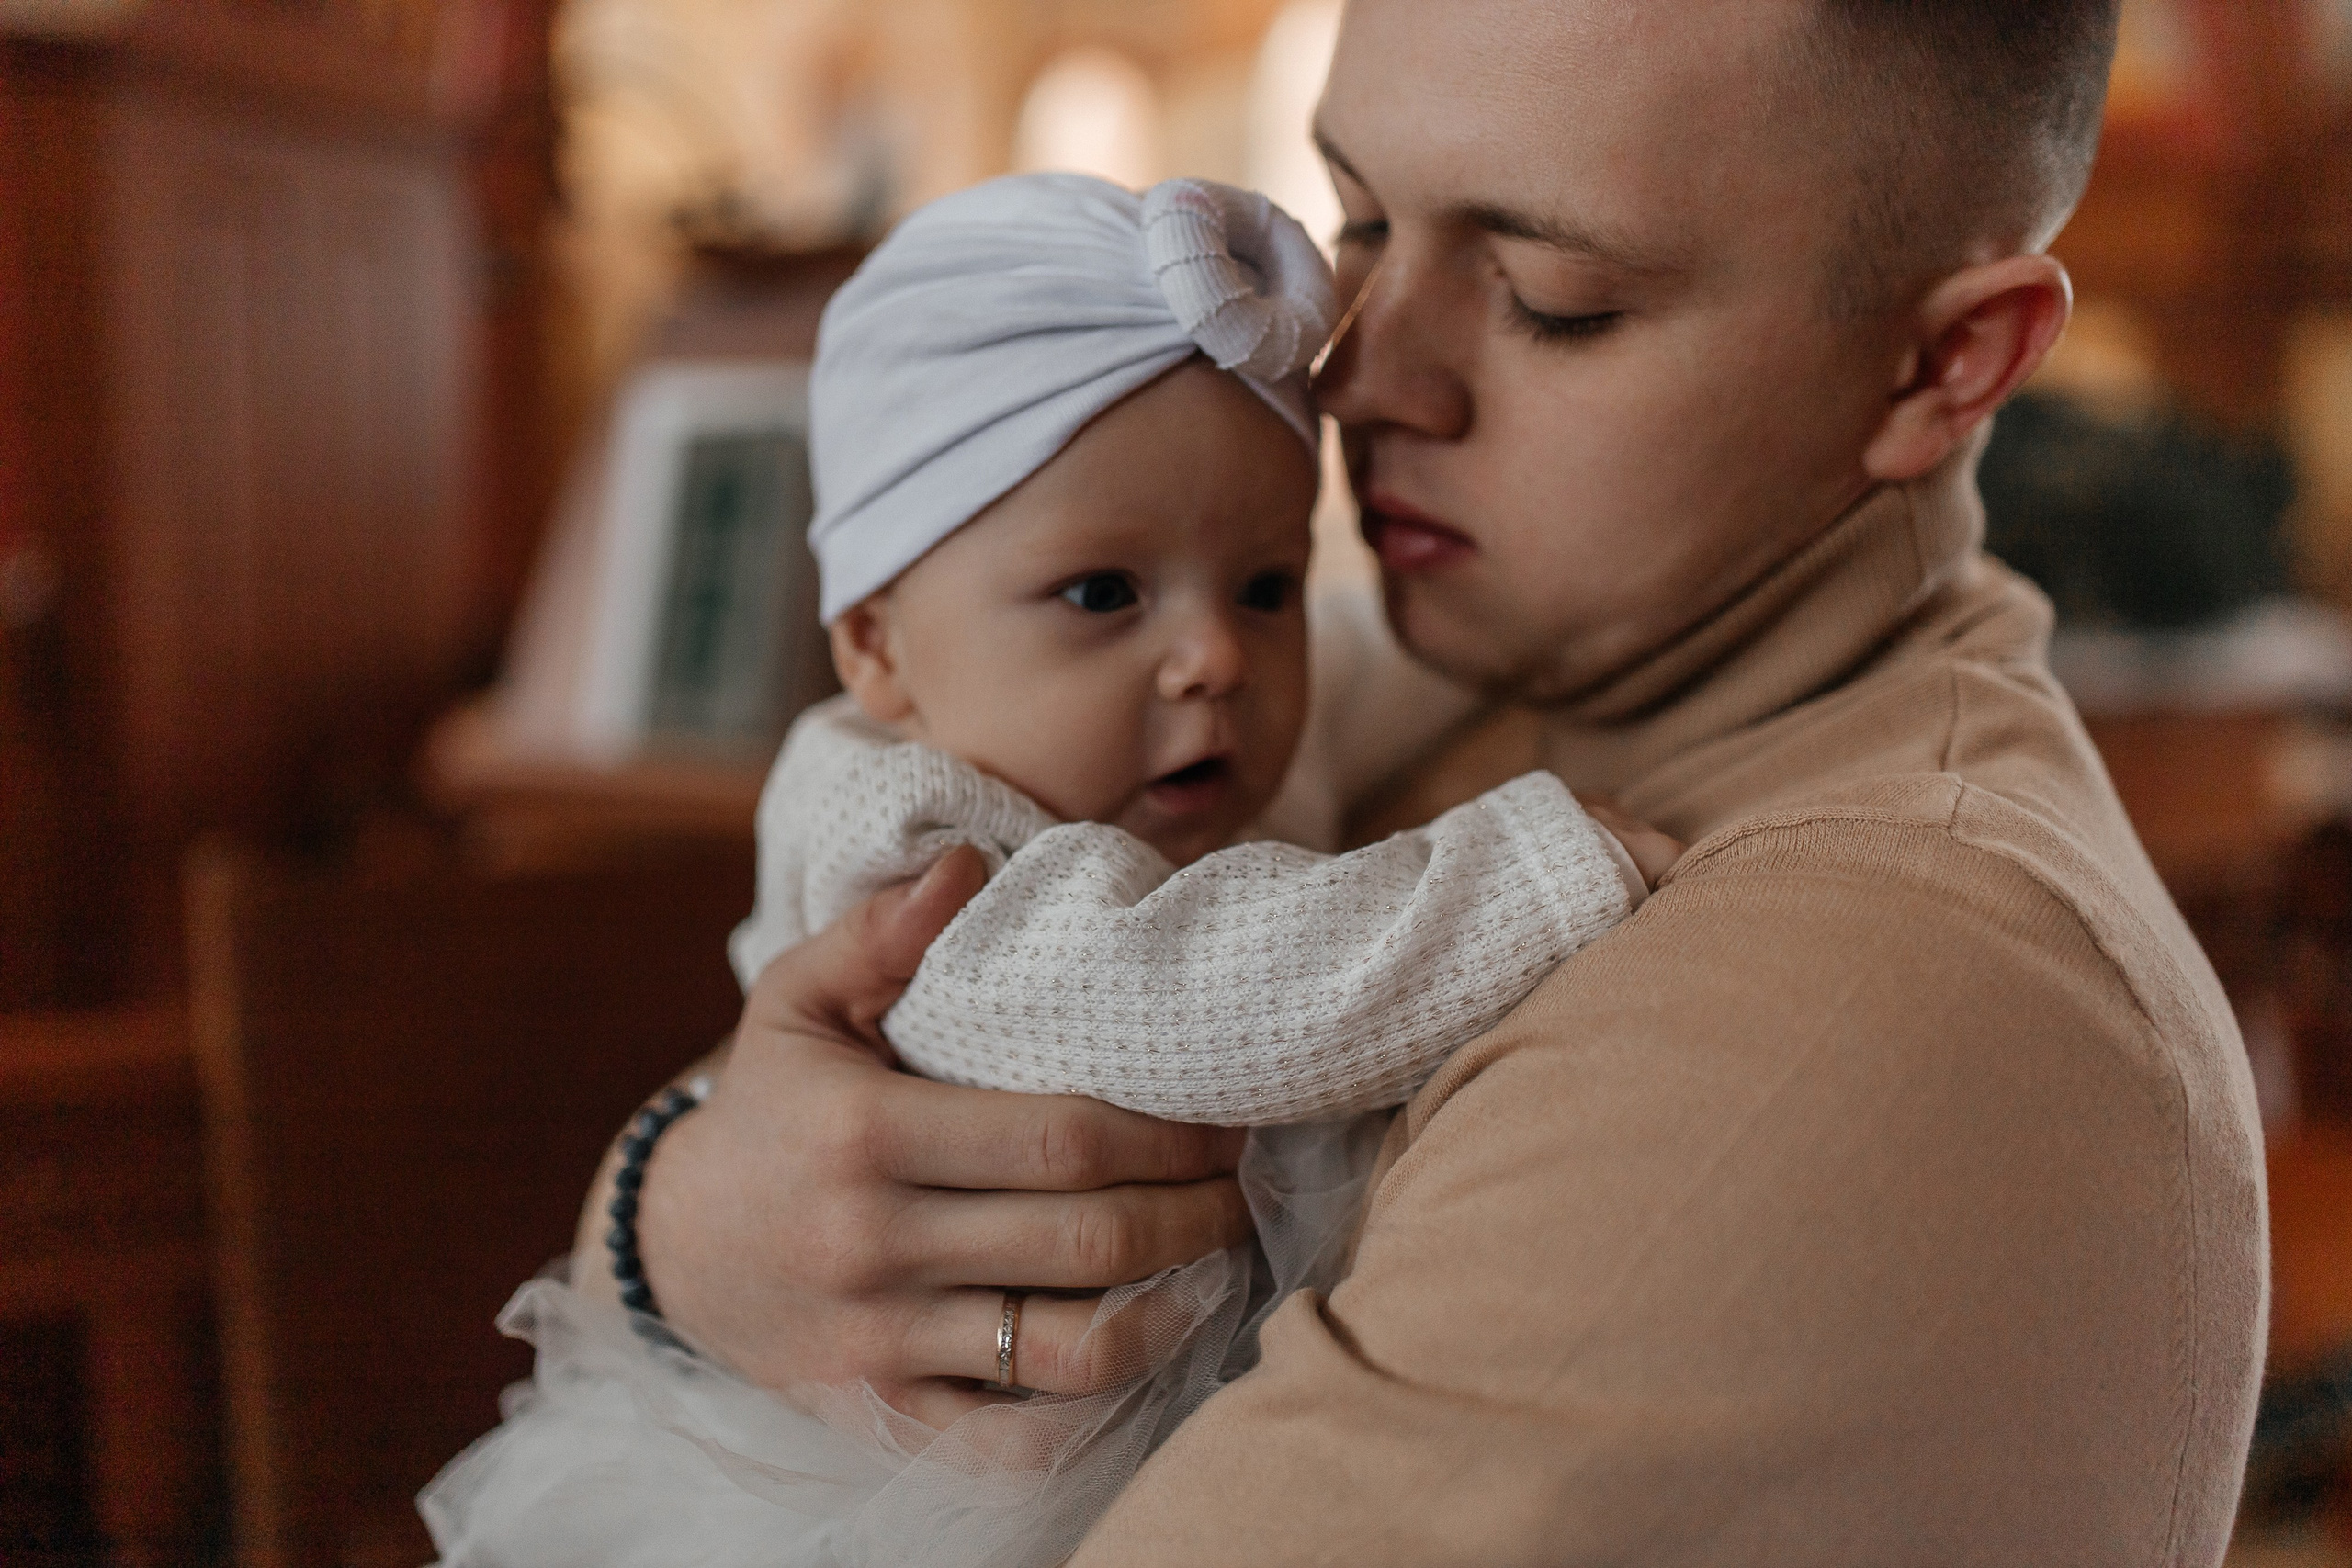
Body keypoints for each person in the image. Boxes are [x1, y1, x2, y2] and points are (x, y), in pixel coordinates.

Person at [592, 0, 2267, 1562]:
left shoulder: (1862, 989)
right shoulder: (1477, 675)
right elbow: (858, 1059)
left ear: (1942, 365)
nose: (1358, 378)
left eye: (1557, 300)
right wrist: (675, 1222)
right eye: (1362, 225)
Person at [424, 172, 1669, 1567]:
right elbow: (1206, 995)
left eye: (1261, 584)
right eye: (1103, 594)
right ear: (877, 644)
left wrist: (1541, 626)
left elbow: (1378, 664)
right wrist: (1537, 870)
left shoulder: (1175, 747)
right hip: (908, 1489)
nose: (1217, 657)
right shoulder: (915, 842)